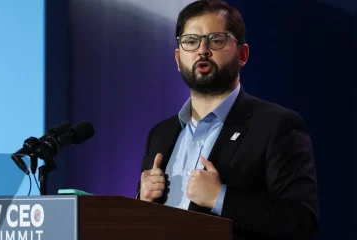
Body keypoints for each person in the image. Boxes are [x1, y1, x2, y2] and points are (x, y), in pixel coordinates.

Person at [136, 0, 319, 239]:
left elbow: (301, 222)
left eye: (216, 40)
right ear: (178, 59)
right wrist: (142, 201)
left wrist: (219, 197)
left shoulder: (276, 126)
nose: (202, 50)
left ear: (242, 54)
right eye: (191, 41)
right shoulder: (160, 134)